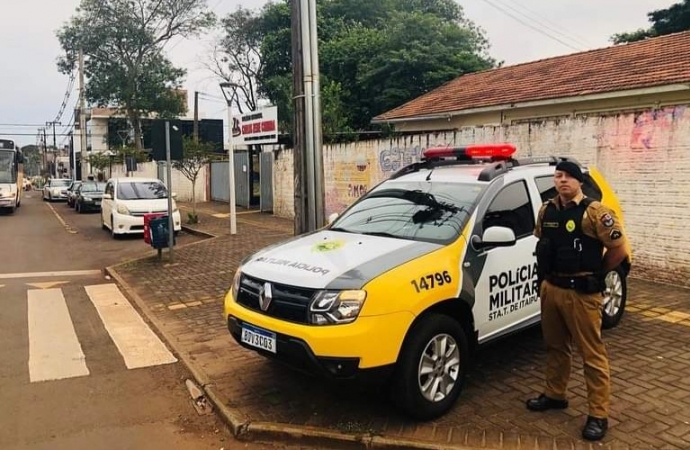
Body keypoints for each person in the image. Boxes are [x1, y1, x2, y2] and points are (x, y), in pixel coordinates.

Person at [527, 160, 630, 442]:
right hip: (552, 288)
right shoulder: (546, 210)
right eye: (558, 176)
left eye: (568, 177)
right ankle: (555, 394)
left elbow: (618, 249)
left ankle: (598, 414)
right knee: (555, 347)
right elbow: (543, 244)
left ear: (579, 182)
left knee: (592, 354)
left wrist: (598, 274)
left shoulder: (595, 212)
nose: (562, 181)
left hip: (582, 293)